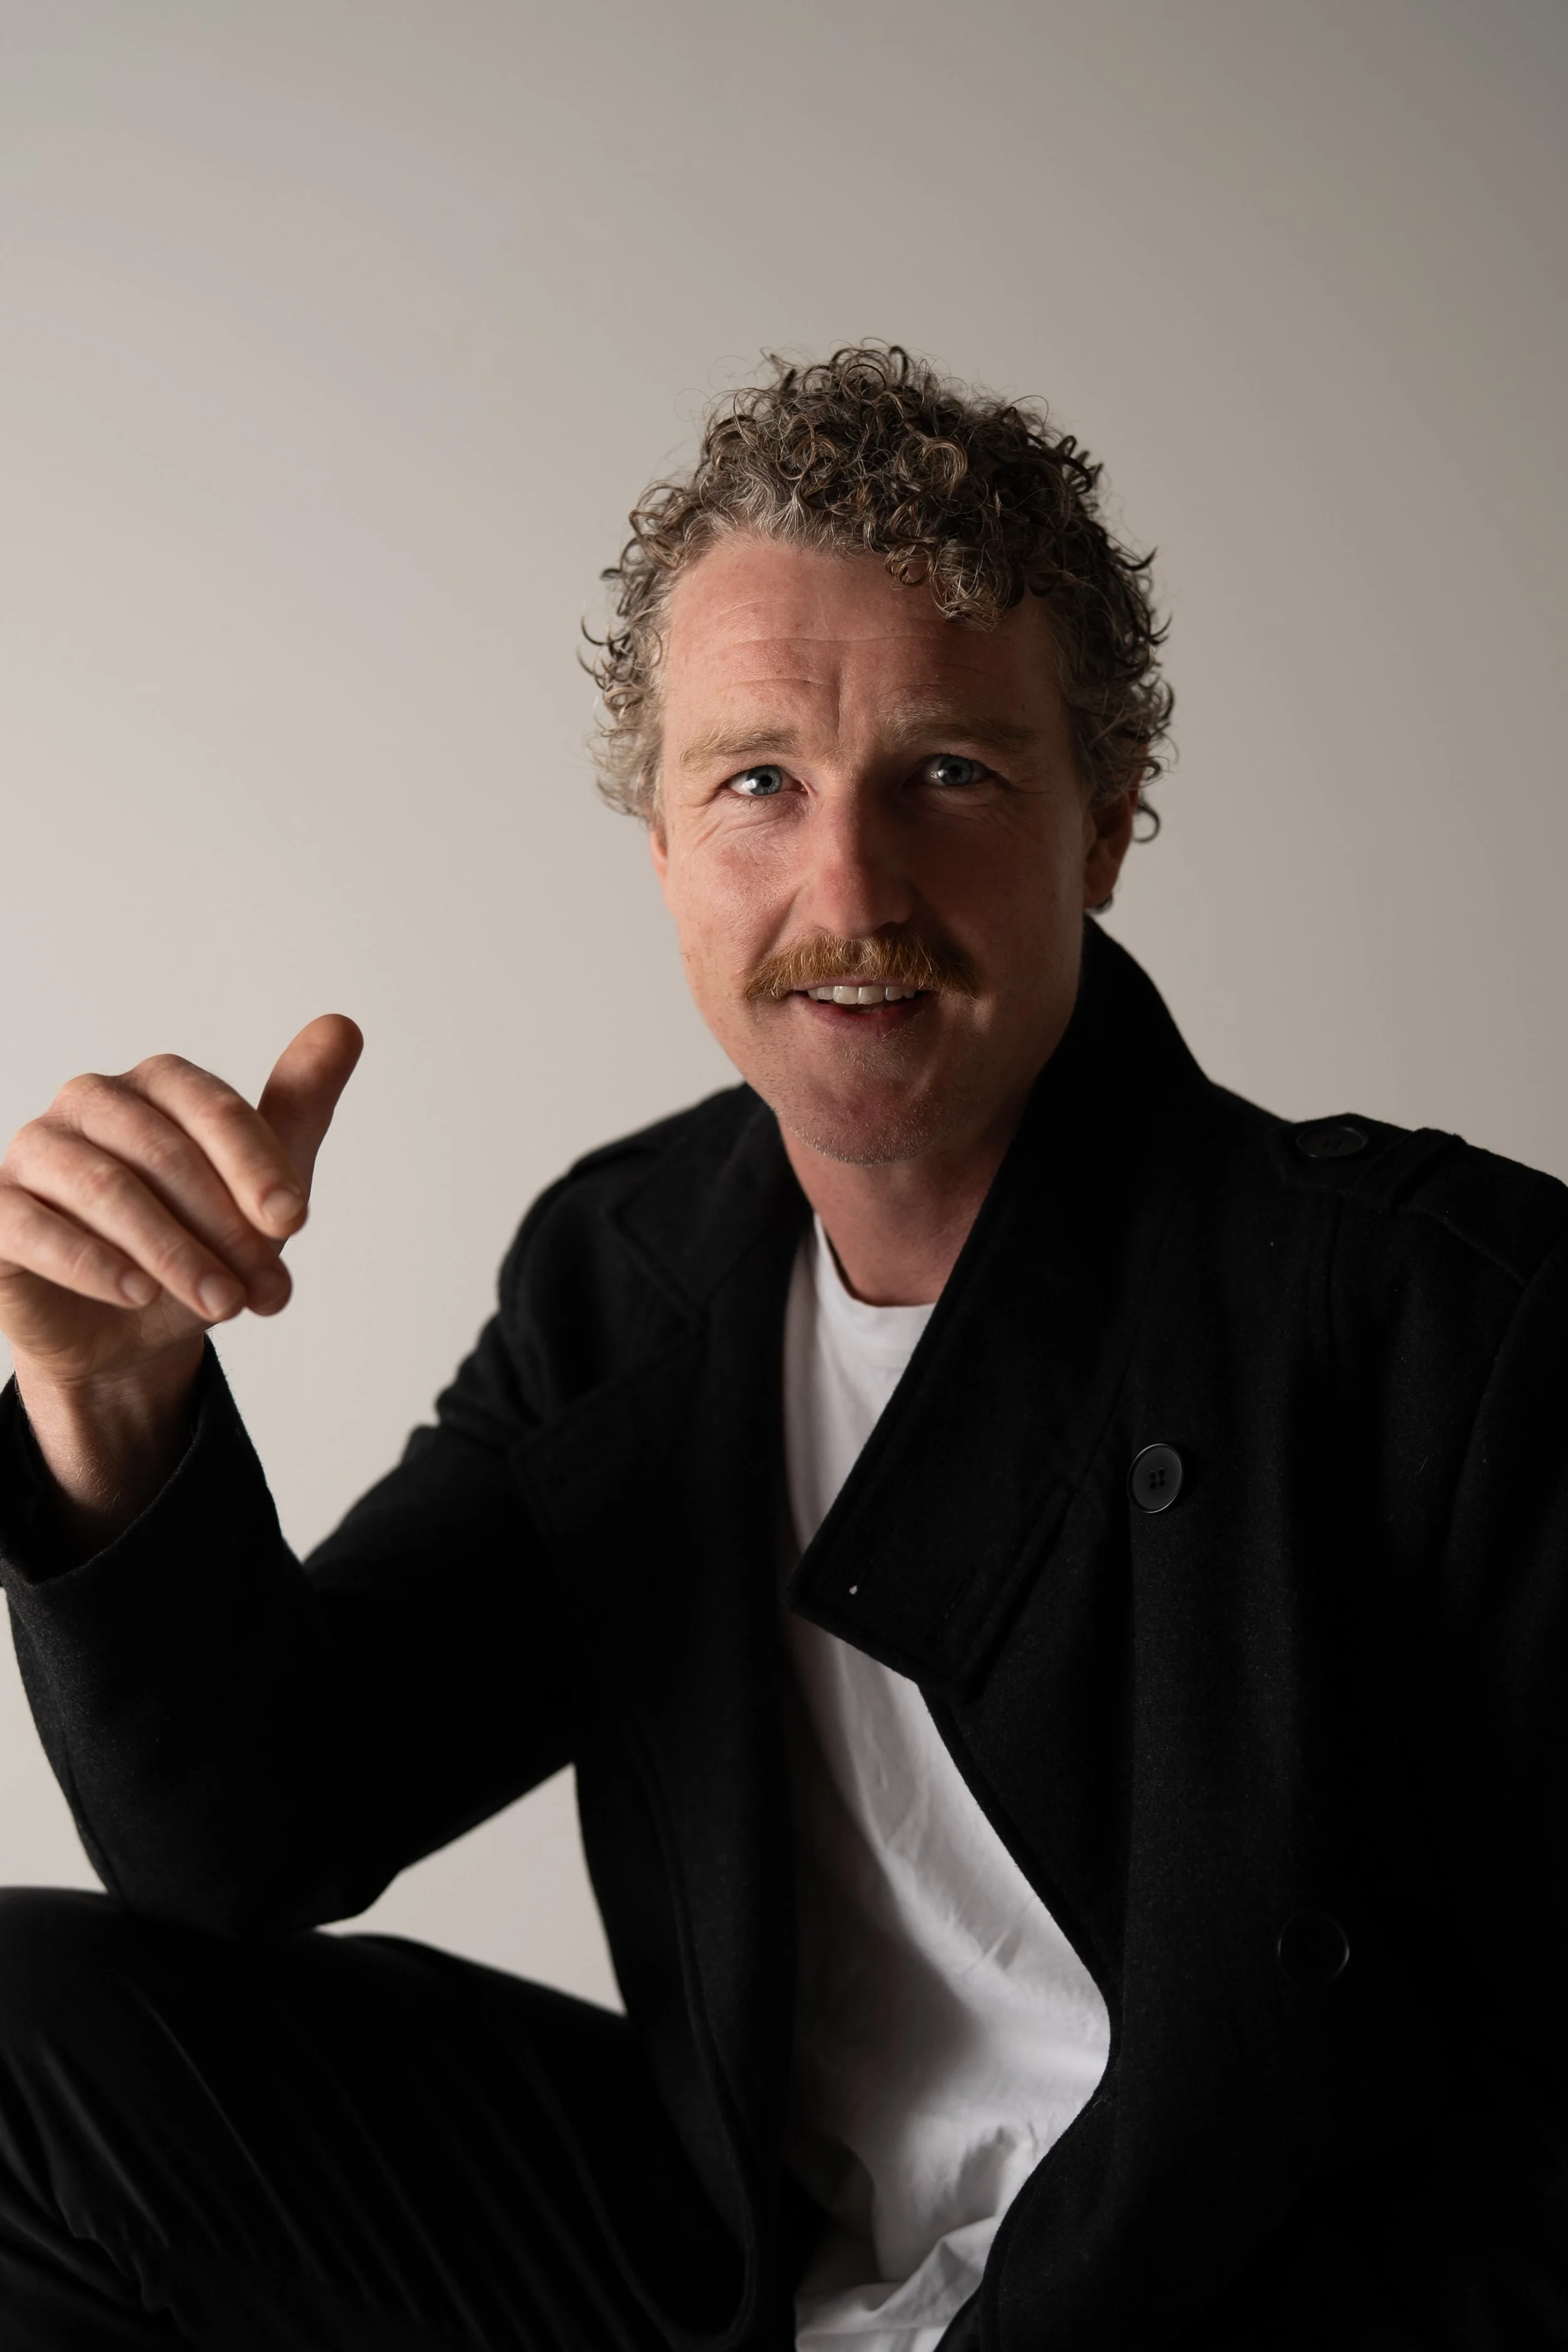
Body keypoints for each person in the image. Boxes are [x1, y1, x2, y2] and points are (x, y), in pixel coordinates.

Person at [0, 344, 1561, 2352]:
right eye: (757, 782)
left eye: (950, 773)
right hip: (745, 2273)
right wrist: (117, 1424)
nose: (848, 890)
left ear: (1103, 824)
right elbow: (257, 1831)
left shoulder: (1449, 1320)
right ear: (658, 848)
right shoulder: (635, 1272)